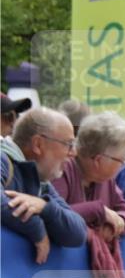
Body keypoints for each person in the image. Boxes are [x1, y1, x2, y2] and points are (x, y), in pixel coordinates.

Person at [1, 107, 86, 263]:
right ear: (38, 144)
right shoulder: (2, 159)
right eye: (68, 144)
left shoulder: (41, 183)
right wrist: (36, 228)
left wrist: (45, 207)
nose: (73, 153)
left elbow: (78, 233)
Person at [51, 112, 125, 241]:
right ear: (98, 160)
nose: (122, 166)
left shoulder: (107, 181)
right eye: (122, 161)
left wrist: (118, 222)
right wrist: (98, 210)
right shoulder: (62, 169)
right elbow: (54, 214)